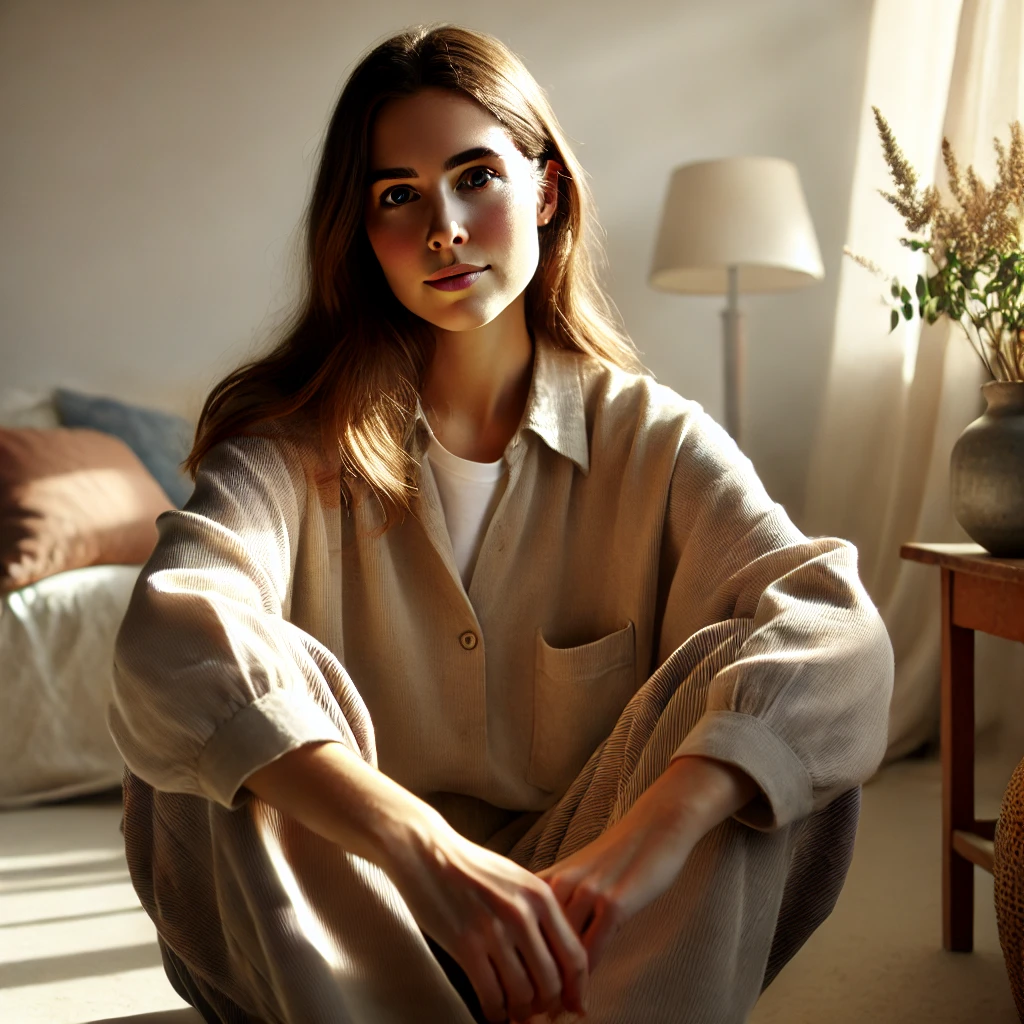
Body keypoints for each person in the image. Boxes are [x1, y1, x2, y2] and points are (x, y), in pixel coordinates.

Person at [109, 22, 894, 1024]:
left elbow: (839, 628)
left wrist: (646, 838)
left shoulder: (650, 438)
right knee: (218, 705)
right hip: (338, 922)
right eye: (398, 195)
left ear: (547, 189)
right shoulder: (288, 443)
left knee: (771, 700)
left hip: (585, 932)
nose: (443, 227)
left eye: (475, 175)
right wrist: (420, 849)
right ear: (362, 230)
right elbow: (166, 630)